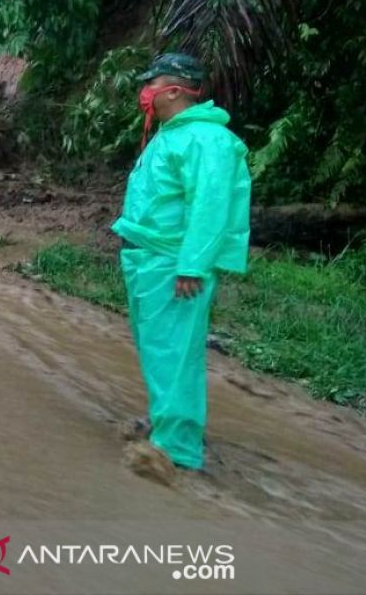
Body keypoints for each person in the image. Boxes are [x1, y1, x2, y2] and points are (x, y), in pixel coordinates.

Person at [112, 52, 252, 478]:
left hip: (174, 263)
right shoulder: (174, 134)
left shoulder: (206, 141)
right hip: (150, 257)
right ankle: (167, 424)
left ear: (173, 91)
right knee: (160, 348)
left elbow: (209, 206)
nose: (145, 93)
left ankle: (176, 449)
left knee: (174, 351)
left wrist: (192, 265)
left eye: (151, 85)